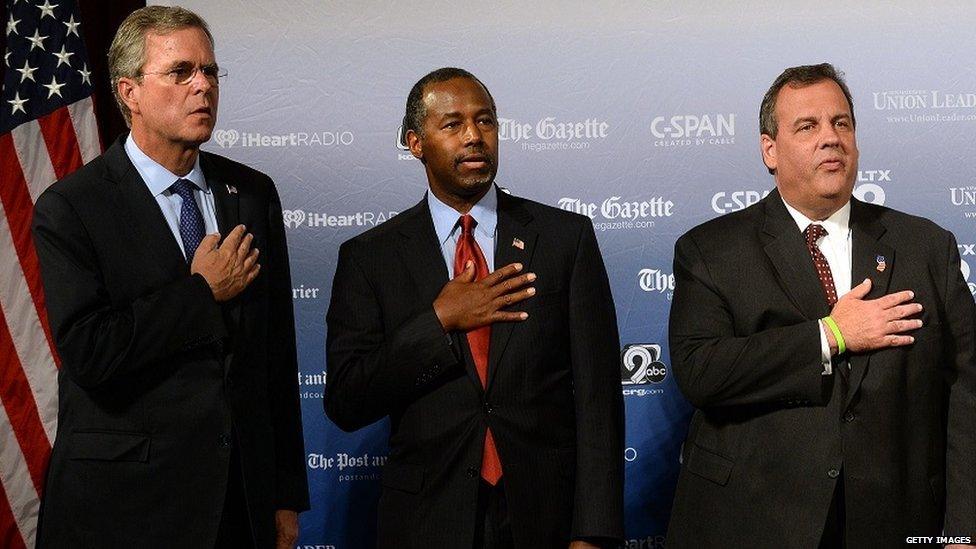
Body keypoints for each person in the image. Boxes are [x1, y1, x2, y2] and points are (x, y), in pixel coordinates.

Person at [666, 62, 976, 548]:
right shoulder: (711, 251)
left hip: (894, 521)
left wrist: (964, 532)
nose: (830, 138)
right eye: (807, 126)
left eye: (842, 123)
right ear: (770, 150)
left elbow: (967, 394)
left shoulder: (927, 248)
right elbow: (700, 370)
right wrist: (830, 335)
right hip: (754, 520)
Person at [31, 6, 308, 548]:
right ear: (130, 91)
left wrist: (283, 495)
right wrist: (201, 293)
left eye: (210, 71)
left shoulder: (252, 193)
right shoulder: (71, 207)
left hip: (237, 503)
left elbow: (275, 357)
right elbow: (90, 350)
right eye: (181, 72)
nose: (203, 86)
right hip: (123, 508)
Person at [324, 67, 624, 548]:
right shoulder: (370, 258)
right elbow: (346, 400)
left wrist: (593, 531)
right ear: (415, 143)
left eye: (485, 122)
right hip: (427, 520)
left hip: (545, 516)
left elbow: (597, 399)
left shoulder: (565, 240)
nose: (474, 137)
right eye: (452, 124)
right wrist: (437, 322)